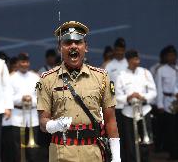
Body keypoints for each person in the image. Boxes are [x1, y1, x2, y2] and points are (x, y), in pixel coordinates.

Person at [37, 21, 121, 162]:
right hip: (61, 152)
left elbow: (110, 120)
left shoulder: (101, 77)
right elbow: (42, 122)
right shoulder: (47, 79)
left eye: (78, 42)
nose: (73, 46)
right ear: (60, 48)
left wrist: (116, 157)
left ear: (86, 47)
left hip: (93, 152)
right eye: (68, 42)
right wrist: (54, 125)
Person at [115, 50, 156, 162]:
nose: (137, 61)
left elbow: (153, 92)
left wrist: (142, 96)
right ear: (128, 60)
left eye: (138, 59)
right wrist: (128, 97)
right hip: (128, 112)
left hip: (144, 110)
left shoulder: (145, 73)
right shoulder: (121, 75)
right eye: (135, 59)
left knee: (145, 141)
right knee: (130, 143)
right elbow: (117, 95)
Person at [2, 52, 41, 162]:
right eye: (22, 62)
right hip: (17, 117)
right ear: (18, 63)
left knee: (33, 151)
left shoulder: (35, 77)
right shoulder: (11, 78)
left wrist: (31, 100)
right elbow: (8, 97)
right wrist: (22, 98)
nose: (25, 64)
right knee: (17, 149)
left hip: (32, 116)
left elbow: (41, 96)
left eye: (27, 62)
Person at [155, 45, 178, 160]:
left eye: (174, 55)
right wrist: (159, 104)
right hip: (168, 100)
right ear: (166, 57)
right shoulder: (161, 70)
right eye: (169, 55)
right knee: (170, 129)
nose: (172, 57)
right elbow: (159, 87)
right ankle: (172, 153)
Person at [105, 37, 127, 161]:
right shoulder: (109, 65)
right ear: (114, 50)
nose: (119, 52)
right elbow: (107, 85)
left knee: (128, 136)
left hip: (128, 105)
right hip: (115, 105)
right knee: (116, 134)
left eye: (122, 50)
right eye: (117, 50)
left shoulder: (127, 64)